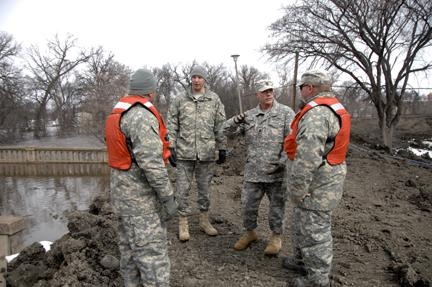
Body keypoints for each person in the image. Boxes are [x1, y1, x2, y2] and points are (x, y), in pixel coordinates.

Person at [105, 68, 177, 287]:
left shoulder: (119, 112)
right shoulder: (141, 115)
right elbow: (151, 164)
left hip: (122, 198)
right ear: (151, 91)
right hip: (141, 203)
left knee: (128, 254)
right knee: (152, 258)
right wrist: (168, 197)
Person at [282, 70, 351, 287]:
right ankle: (302, 261)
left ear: (310, 88)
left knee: (315, 232)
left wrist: (297, 188)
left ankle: (317, 279)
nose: (300, 90)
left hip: (317, 184)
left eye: (301, 87)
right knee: (302, 223)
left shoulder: (317, 114)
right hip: (322, 179)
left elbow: (308, 158)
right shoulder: (330, 107)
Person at [223, 79, 295, 255]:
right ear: (258, 95)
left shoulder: (286, 113)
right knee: (248, 206)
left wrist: (283, 163)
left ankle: (276, 236)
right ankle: (250, 233)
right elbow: (226, 132)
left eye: (270, 90)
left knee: (277, 208)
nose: (269, 93)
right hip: (253, 172)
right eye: (264, 91)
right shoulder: (250, 115)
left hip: (276, 173)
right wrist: (235, 120)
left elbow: (292, 141)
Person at [167, 65, 227, 241]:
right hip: (184, 154)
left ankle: (204, 220)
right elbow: (171, 124)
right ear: (190, 79)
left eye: (200, 77)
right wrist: (170, 147)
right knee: (182, 189)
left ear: (204, 79)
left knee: (205, 189)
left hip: (206, 154)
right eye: (194, 77)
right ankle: (183, 223)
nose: (196, 80)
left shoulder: (214, 99)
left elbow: (220, 124)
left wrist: (222, 147)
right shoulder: (180, 99)